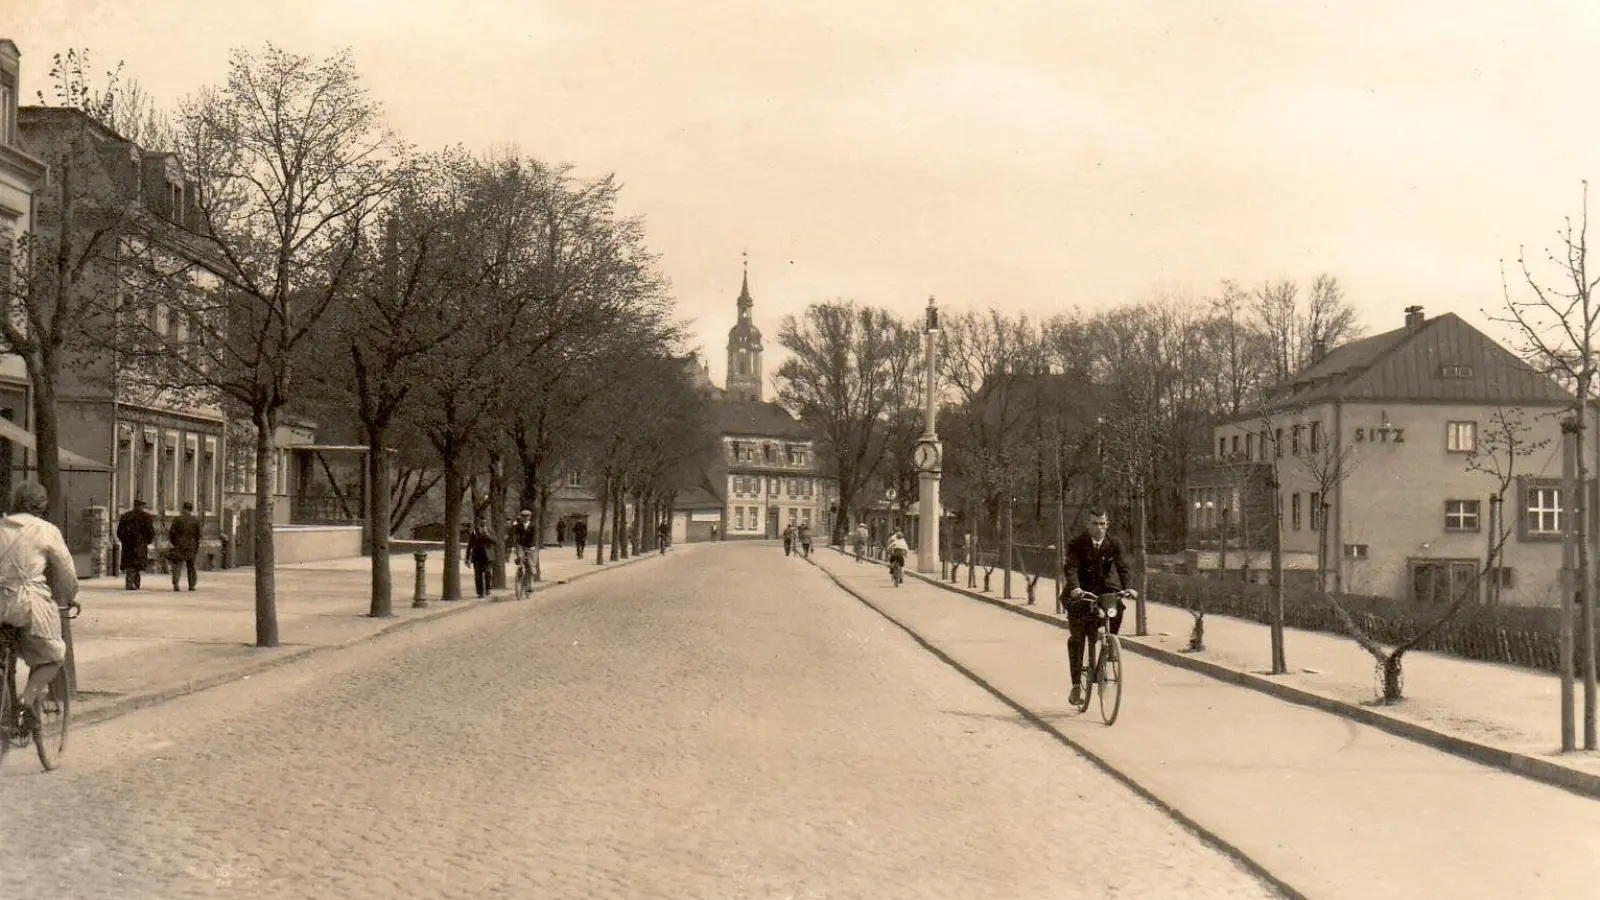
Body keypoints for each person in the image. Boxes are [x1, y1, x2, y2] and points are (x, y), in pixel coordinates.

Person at [0, 483, 79, 711]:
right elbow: (66, 570)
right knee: (53, 656)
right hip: (28, 604)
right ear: (42, 505)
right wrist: (71, 595)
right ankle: (27, 700)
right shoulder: (46, 530)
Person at [1062, 510, 1137, 706]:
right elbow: (1071, 568)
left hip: (1104, 589)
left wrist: (1128, 587)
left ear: (1108, 524)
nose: (1099, 528)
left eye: (1103, 523)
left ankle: (1111, 642)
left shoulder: (1114, 543)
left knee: (1118, 607)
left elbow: (1123, 566)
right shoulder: (1077, 544)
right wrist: (1075, 588)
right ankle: (1077, 685)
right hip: (1081, 593)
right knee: (1078, 639)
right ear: (1087, 525)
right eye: (1095, 524)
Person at [116, 498, 155, 591]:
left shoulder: (126, 516)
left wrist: (124, 541)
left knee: (130, 565)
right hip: (140, 544)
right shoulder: (146, 517)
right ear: (142, 506)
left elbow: (119, 532)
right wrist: (147, 541)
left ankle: (131, 583)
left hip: (128, 545)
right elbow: (151, 532)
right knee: (137, 565)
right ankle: (134, 583)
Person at [167, 501, 202, 592]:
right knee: (191, 566)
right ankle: (191, 585)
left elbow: (171, 533)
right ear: (191, 510)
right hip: (191, 546)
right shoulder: (195, 520)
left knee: (177, 566)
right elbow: (199, 535)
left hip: (179, 545)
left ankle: (176, 583)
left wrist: (175, 543)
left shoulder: (177, 520)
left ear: (183, 509)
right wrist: (196, 545)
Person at [466, 520, 496, 598]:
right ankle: (480, 593)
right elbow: (470, 545)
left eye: (484, 523)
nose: (482, 525)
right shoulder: (475, 532)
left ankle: (488, 589)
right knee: (478, 575)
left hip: (488, 557)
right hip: (477, 556)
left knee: (487, 573)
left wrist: (487, 535)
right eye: (481, 524)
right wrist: (467, 558)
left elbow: (495, 541)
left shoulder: (490, 531)